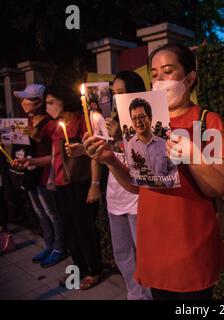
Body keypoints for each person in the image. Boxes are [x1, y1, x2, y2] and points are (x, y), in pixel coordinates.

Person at [83, 44, 224, 300]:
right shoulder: (140, 121)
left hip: (192, 242)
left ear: (190, 78)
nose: (159, 80)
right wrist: (110, 161)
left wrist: (193, 156)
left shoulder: (208, 121)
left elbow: (218, 187)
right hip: (153, 241)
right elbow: (137, 184)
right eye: (155, 74)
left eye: (168, 71)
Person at [24, 84, 103, 289]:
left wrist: (94, 183)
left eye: (51, 103)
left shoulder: (81, 120)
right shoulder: (54, 124)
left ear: (63, 100)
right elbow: (38, 135)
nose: (47, 108)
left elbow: (95, 152)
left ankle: (94, 270)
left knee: (84, 228)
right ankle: (77, 270)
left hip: (79, 182)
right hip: (61, 184)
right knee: (70, 230)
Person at [105, 70, 152, 300]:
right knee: (122, 252)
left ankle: (149, 296)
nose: (116, 98)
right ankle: (134, 294)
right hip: (114, 196)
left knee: (145, 255)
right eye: (113, 93)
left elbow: (146, 159)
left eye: (121, 92)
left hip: (136, 198)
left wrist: (119, 139)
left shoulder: (146, 121)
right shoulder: (111, 121)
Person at [10, 84, 66, 267]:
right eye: (22, 98)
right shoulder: (26, 122)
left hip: (45, 176)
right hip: (30, 176)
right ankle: (49, 245)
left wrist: (36, 140)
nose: (22, 102)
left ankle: (59, 248)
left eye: (27, 98)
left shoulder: (50, 124)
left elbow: (54, 155)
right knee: (41, 213)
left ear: (38, 102)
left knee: (52, 213)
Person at [125, 98, 178, 188]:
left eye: (141, 117)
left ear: (150, 118)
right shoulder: (129, 146)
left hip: (165, 193)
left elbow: (173, 169)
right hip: (142, 195)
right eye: (134, 118)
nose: (138, 122)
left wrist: (164, 182)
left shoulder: (164, 144)